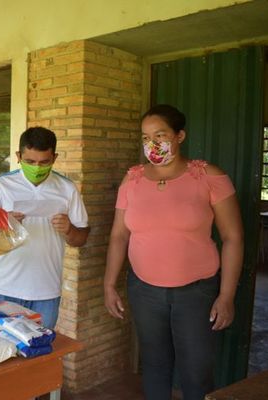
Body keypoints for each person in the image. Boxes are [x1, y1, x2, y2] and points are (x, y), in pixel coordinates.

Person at [104, 104, 244, 400]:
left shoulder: (208, 177)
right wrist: (109, 284)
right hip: (143, 290)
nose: (151, 144)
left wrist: (227, 295)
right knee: (154, 365)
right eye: (145, 137)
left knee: (196, 371)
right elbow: (119, 235)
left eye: (160, 134)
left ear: (180, 136)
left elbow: (233, 237)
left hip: (197, 293)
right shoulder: (133, 180)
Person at [0, 127, 90, 329]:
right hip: (3, 287)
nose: (37, 167)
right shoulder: (2, 185)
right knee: (1, 351)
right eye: (30, 162)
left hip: (46, 291)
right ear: (18, 156)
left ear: (54, 158)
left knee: (39, 354)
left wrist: (69, 229)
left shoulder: (66, 188)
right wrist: (3, 225)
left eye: (44, 162)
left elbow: (81, 238)